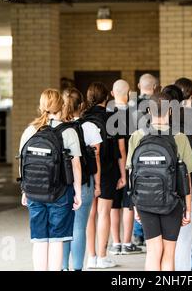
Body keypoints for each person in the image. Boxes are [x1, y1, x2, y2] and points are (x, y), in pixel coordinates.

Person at [126, 92, 192, 271]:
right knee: (168, 253)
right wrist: (188, 208)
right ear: (170, 111)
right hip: (172, 202)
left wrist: (135, 207)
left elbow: (132, 175)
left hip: (144, 202)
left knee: (153, 251)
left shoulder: (137, 136)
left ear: (148, 110)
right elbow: (186, 176)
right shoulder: (179, 136)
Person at [19, 89, 82, 271]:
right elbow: (76, 165)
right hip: (61, 193)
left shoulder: (30, 131)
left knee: (39, 240)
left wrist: (25, 189)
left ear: (42, 107)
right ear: (61, 107)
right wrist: (77, 193)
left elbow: (22, 162)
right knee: (57, 240)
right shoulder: (68, 132)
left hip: (34, 192)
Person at [164, 82, 192, 271]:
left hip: (161, 185)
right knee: (186, 238)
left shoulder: (151, 123)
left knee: (162, 242)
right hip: (190, 182)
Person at [61, 88, 102, 271]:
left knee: (62, 228)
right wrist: (98, 184)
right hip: (84, 182)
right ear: (82, 105)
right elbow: (96, 159)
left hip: (61, 184)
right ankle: (77, 267)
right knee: (79, 228)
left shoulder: (55, 128)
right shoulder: (89, 127)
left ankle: (62, 267)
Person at [85, 82, 125, 269]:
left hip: (88, 170)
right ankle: (102, 257)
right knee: (104, 213)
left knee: (90, 214)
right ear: (107, 97)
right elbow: (121, 149)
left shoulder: (82, 118)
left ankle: (91, 257)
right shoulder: (114, 116)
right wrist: (123, 173)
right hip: (108, 170)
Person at [108, 79, 143, 256]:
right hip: (129, 165)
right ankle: (127, 243)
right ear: (129, 93)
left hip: (112, 167)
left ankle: (116, 243)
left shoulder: (108, 114)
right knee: (128, 204)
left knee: (114, 205)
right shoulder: (135, 115)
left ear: (113, 94)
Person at [132, 73, 159, 246]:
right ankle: (153, 229)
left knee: (138, 190)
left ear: (138, 85)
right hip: (156, 151)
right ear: (155, 86)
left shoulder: (131, 107)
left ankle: (138, 233)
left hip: (137, 153)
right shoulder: (159, 104)